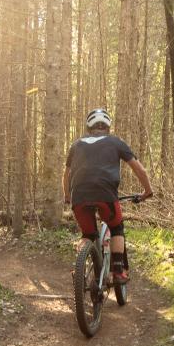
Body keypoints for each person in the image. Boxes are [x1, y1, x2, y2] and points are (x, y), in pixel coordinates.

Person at [63, 108, 153, 283]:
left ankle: (79, 269)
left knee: (87, 234)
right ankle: (118, 272)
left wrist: (67, 196)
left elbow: (65, 175)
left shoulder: (76, 144)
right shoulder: (116, 142)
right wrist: (147, 191)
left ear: (88, 127)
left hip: (79, 196)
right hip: (106, 195)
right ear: (108, 127)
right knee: (116, 227)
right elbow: (139, 169)